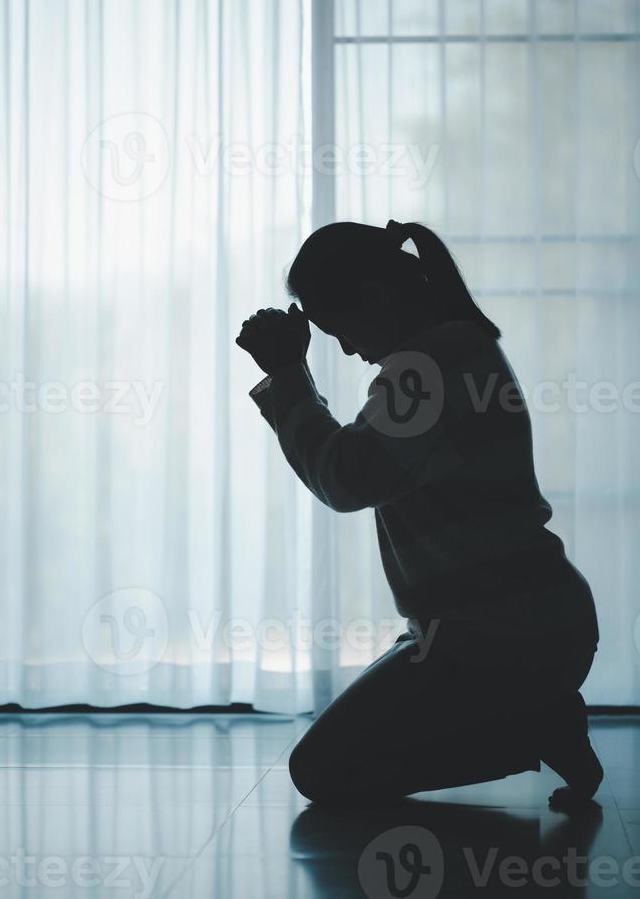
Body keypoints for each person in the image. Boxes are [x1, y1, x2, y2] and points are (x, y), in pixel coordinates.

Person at [236, 220, 602, 812]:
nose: (349, 349)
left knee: (321, 770)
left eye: (341, 330)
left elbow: (345, 478)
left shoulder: (427, 369)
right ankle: (537, 717)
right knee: (329, 763)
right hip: (513, 627)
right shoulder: (454, 350)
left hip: (500, 637)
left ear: (376, 297)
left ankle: (535, 727)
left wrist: (286, 374)